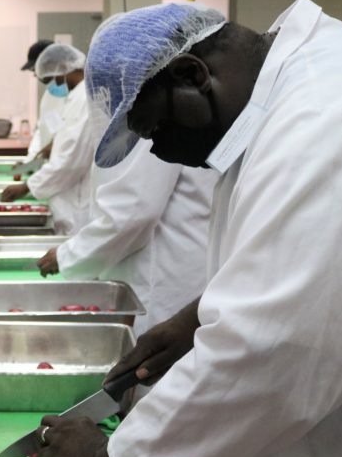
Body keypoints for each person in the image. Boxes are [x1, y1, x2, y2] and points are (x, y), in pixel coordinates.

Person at [34, 0, 342, 457]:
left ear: (192, 75)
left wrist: (112, 453)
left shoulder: (328, 119)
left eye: (157, 129)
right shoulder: (287, 103)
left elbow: (276, 349)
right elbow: (301, 269)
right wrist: (196, 320)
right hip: (323, 456)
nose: (162, 154)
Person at [36, 138, 216, 343]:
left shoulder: (151, 123)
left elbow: (134, 211)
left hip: (163, 275)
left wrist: (68, 255)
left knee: (151, 357)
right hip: (169, 264)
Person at [0, 43, 101, 234]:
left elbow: (70, 161)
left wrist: (27, 186)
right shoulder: (77, 97)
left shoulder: (83, 99)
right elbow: (57, 136)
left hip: (78, 202)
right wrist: (34, 159)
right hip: (66, 192)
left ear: (65, 67)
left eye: (55, 76)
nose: (57, 83)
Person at [21, 39, 67, 159]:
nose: (35, 74)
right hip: (50, 166)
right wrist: (31, 158)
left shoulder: (78, 94)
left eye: (35, 69)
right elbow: (42, 130)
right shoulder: (49, 94)